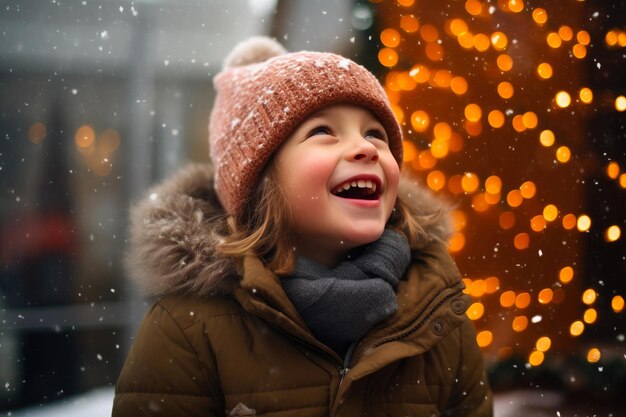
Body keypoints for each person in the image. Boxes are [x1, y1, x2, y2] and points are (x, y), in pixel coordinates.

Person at [112, 36, 493, 416]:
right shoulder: (188, 329)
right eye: (323, 131)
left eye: (375, 133)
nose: (366, 148)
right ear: (260, 181)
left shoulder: (437, 314)